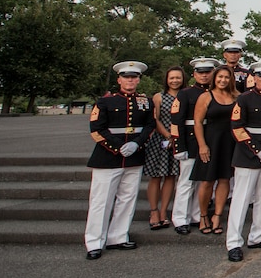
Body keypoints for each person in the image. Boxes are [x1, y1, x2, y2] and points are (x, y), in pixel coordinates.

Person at [84, 61, 154, 260]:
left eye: (134, 77)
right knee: (101, 201)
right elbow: (97, 129)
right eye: (126, 77)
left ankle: (118, 236)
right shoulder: (104, 102)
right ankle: (94, 241)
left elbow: (149, 126)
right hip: (108, 157)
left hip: (134, 156)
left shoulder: (145, 102)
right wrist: (117, 147)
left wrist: (136, 144)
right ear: (119, 79)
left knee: (127, 199)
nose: (130, 80)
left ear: (139, 79)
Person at [226, 61, 261, 262]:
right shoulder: (244, 99)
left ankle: (257, 236)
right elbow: (237, 128)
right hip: (248, 155)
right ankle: (233, 242)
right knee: (241, 200)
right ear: (254, 77)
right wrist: (258, 151)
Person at [169, 57, 216, 234]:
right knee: (186, 182)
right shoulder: (185, 94)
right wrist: (178, 147)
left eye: (207, 72)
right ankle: (180, 218)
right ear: (194, 74)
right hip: (189, 142)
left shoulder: (216, 92)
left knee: (203, 182)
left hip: (209, 140)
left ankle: (197, 215)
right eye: (200, 72)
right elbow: (176, 121)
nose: (204, 76)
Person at [191, 64, 237, 237]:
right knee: (207, 181)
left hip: (229, 143)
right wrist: (202, 145)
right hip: (211, 141)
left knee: (225, 180)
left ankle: (217, 215)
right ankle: (203, 215)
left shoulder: (236, 96)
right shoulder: (206, 97)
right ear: (214, 78)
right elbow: (197, 122)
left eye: (226, 77)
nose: (223, 80)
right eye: (220, 77)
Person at [145, 66, 182, 230]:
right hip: (161, 139)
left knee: (171, 177)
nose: (175, 81)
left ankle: (163, 211)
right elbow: (155, 119)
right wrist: (168, 135)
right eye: (172, 78)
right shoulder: (159, 97)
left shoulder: (184, 96)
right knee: (155, 177)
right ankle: (153, 211)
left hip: (179, 140)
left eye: (178, 78)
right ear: (167, 80)